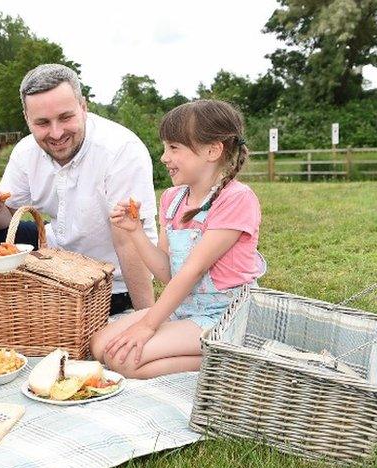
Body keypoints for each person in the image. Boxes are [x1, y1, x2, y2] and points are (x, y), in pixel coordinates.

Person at [90, 99, 265, 379]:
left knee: (124, 361)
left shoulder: (236, 199)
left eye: (173, 148)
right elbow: (168, 273)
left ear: (212, 150)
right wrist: (134, 232)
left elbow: (193, 271)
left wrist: (148, 325)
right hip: (183, 309)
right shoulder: (172, 200)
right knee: (100, 345)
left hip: (225, 315)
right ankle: (207, 351)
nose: (164, 157)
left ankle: (232, 358)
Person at [0, 63, 157, 315]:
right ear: (27, 118)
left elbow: (127, 240)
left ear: (83, 107)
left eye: (65, 117)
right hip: (57, 264)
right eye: (42, 123)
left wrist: (146, 317)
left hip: (111, 281)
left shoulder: (121, 150)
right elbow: (5, 222)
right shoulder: (26, 152)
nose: (56, 133)